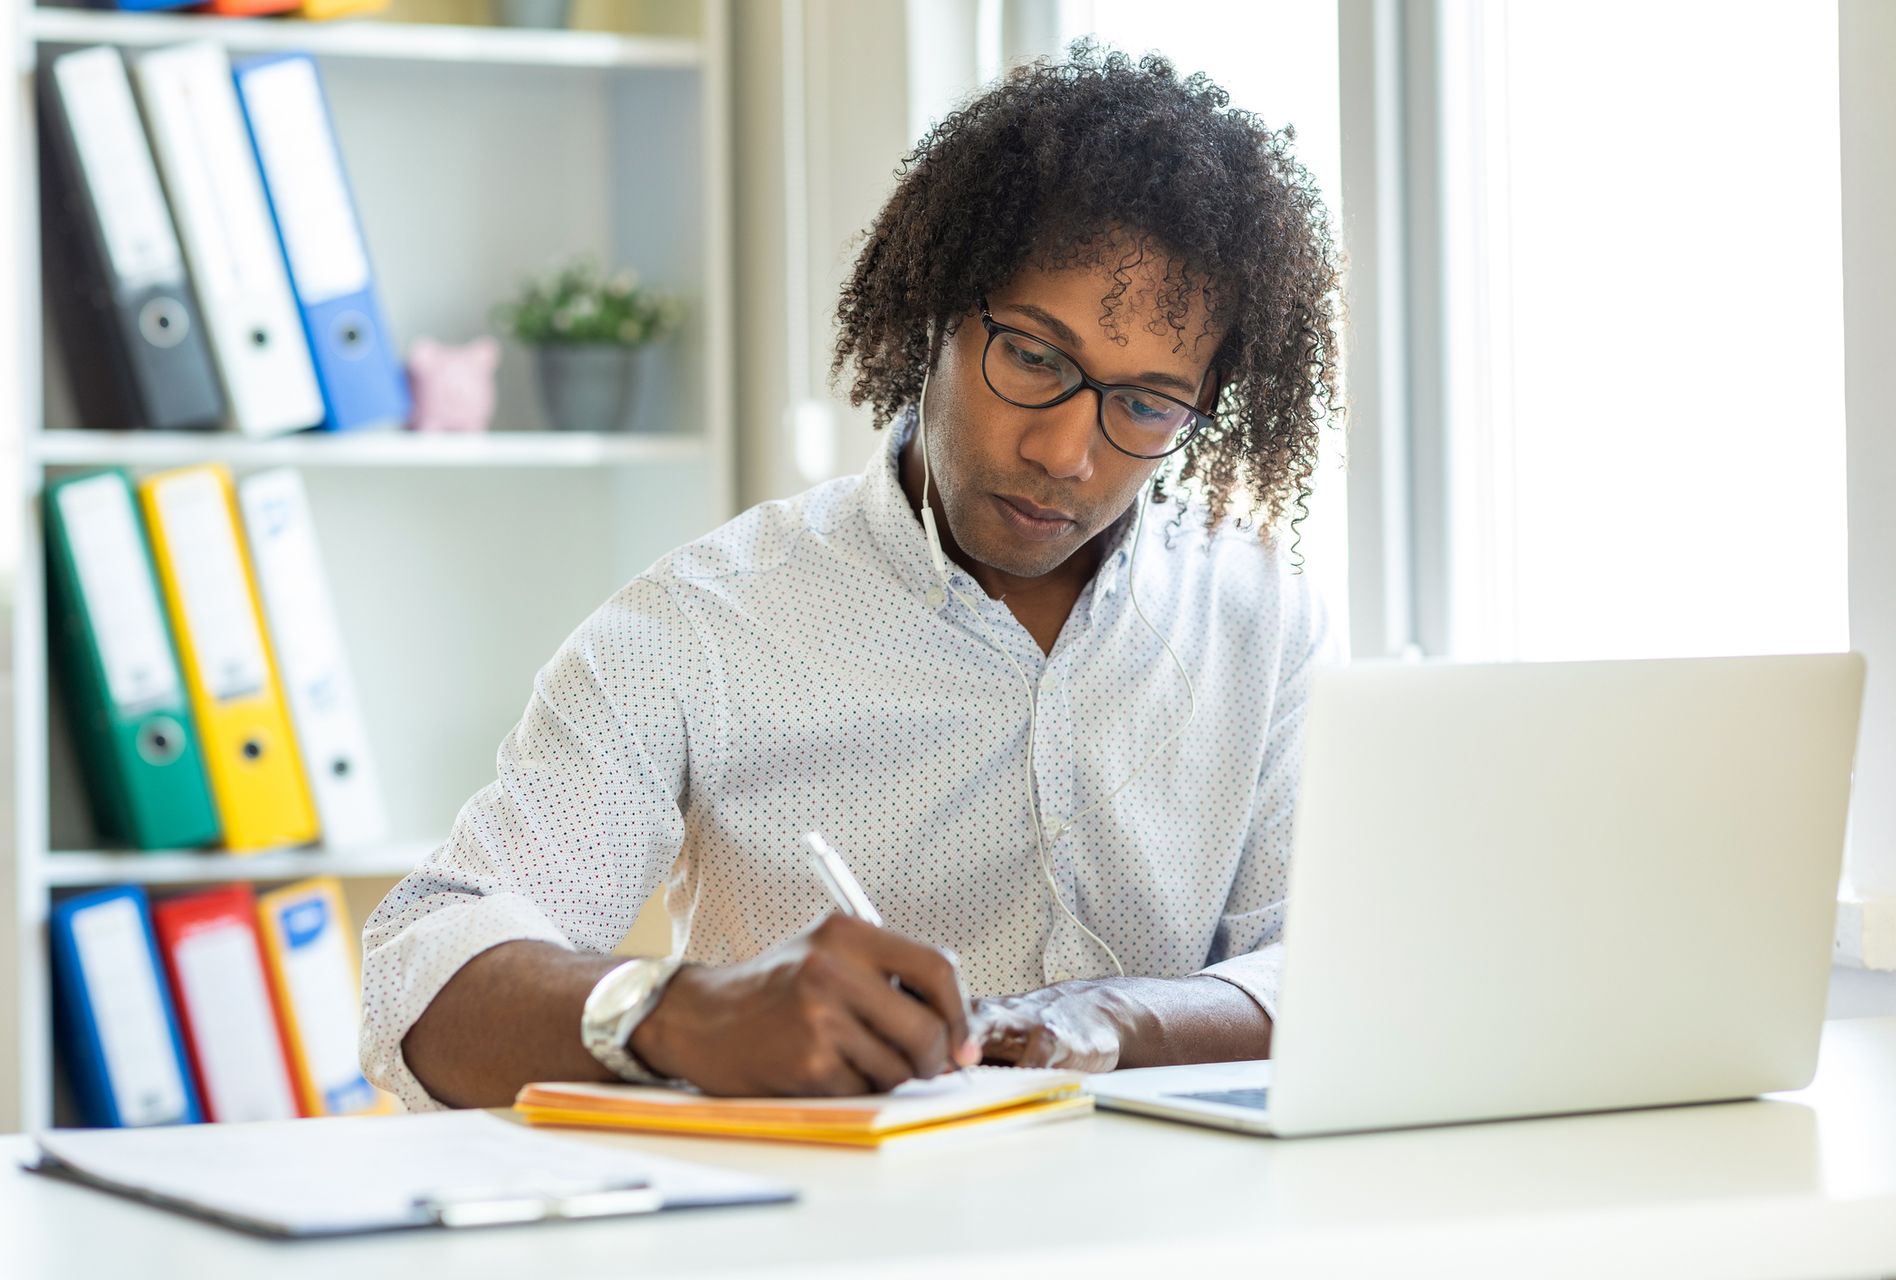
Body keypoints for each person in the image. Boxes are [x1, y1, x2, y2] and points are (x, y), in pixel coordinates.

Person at [361, 42, 1344, 1109]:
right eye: (1034, 358)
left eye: (1148, 403)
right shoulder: (699, 630)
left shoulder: (1265, 623)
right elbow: (421, 982)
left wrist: (1102, 1017)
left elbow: (1332, 972)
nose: (1068, 451)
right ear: (936, 310)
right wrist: (685, 1013)